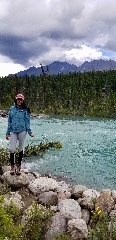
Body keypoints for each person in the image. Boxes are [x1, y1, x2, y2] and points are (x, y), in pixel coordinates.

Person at [6, 93, 34, 175]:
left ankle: (19, 166)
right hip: (13, 131)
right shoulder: (12, 109)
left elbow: (27, 122)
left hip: (22, 131)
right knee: (11, 149)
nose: (19, 101)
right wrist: (7, 133)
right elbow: (9, 121)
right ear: (16, 100)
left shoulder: (26, 110)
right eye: (18, 99)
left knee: (20, 148)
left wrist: (30, 132)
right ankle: (12, 166)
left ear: (23, 101)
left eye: (21, 100)